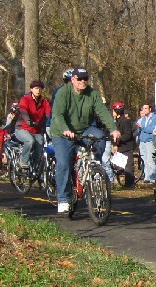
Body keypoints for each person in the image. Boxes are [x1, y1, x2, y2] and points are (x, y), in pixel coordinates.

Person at [50, 66, 120, 214]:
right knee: (64, 164)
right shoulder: (63, 93)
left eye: (85, 79)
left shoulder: (92, 93)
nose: (83, 81)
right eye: (79, 79)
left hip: (84, 129)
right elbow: (57, 115)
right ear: (73, 79)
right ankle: (63, 199)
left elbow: (103, 112)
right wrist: (65, 129)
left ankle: (94, 169)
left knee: (100, 137)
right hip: (62, 133)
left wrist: (113, 128)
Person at [14, 80, 51, 170]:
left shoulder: (44, 102)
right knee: (30, 141)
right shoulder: (25, 99)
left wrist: (51, 122)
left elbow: (49, 113)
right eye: (36, 88)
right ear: (31, 89)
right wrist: (28, 120)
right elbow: (23, 111)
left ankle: (35, 170)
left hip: (37, 130)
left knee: (39, 149)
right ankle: (23, 161)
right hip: (22, 128)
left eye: (40, 89)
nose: (38, 90)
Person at [112, 102, 136, 187]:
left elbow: (127, 135)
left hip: (127, 147)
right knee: (117, 166)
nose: (112, 112)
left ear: (117, 112)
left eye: (113, 111)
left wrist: (118, 139)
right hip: (120, 147)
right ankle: (118, 182)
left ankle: (130, 184)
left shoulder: (125, 121)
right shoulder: (116, 121)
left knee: (128, 166)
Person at [137, 103, 156, 183]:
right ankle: (146, 177)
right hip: (142, 141)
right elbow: (140, 130)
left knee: (151, 160)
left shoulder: (155, 118)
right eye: (143, 108)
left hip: (150, 141)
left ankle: (152, 177)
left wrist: (143, 128)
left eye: (146, 108)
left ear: (150, 109)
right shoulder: (143, 119)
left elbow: (152, 130)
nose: (144, 110)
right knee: (144, 160)